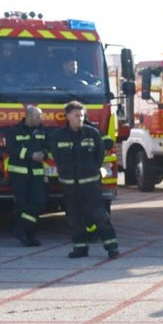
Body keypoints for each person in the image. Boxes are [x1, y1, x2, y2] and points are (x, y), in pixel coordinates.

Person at [49, 101, 119, 259]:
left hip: (90, 183)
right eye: (76, 115)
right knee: (74, 217)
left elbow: (99, 154)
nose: (80, 118)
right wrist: (65, 171)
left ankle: (111, 246)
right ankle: (80, 248)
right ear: (68, 116)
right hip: (70, 184)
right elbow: (55, 155)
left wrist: (91, 169)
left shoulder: (92, 133)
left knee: (100, 215)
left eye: (81, 115)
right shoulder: (58, 136)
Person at [7, 105, 49, 247]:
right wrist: (31, 155)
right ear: (29, 116)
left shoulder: (42, 130)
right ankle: (29, 236)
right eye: (38, 117)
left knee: (39, 202)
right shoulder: (15, 130)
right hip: (19, 174)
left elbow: (48, 147)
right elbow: (11, 148)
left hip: (37, 173)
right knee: (22, 205)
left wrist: (44, 154)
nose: (40, 119)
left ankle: (20, 230)